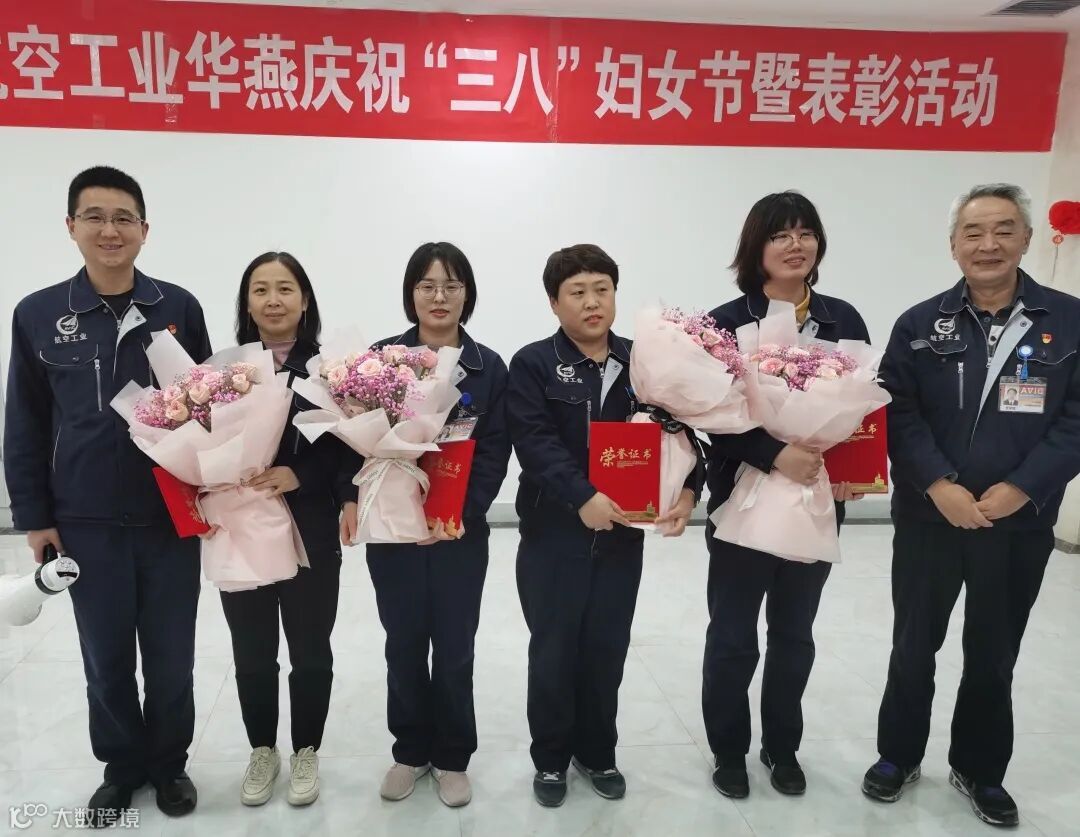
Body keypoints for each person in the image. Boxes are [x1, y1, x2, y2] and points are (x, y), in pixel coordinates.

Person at [862, 183, 1080, 827]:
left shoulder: (1069, 321)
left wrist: (1023, 488)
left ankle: (980, 768)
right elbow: (897, 411)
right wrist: (937, 484)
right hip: (930, 517)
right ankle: (897, 756)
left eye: (1004, 230)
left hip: (1019, 522)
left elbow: (1075, 421)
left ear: (1026, 240)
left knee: (994, 651)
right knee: (913, 644)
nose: (989, 244)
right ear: (954, 244)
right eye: (974, 232)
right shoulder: (919, 324)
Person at [3, 166, 211, 824]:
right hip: (85, 520)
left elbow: (212, 408)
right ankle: (121, 767)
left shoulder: (178, 309)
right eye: (94, 216)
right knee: (106, 656)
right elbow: (25, 422)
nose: (110, 229)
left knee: (172, 655)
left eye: (124, 218)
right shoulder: (39, 315)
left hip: (168, 516)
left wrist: (215, 490)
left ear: (145, 230)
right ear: (71, 227)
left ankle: (169, 765)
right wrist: (35, 517)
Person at [508, 243, 699, 808]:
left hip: (622, 534)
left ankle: (596, 751)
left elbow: (685, 433)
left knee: (607, 646)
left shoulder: (646, 362)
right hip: (552, 531)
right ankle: (550, 758)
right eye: (577, 292)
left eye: (602, 289)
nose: (592, 302)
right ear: (554, 302)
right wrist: (582, 496)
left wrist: (690, 489)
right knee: (554, 648)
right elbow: (534, 441)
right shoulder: (534, 363)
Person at [703, 192, 870, 799]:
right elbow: (709, 412)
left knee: (795, 633)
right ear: (756, 247)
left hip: (815, 499)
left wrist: (856, 470)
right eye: (781, 235)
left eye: (806, 233)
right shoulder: (725, 322)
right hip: (741, 499)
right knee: (732, 634)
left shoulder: (842, 319)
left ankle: (782, 745)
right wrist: (773, 453)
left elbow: (863, 409)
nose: (795, 245)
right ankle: (728, 749)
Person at [365, 242, 512, 808]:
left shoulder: (488, 366)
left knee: (454, 649)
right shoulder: (381, 362)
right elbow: (358, 444)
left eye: (451, 285)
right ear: (411, 294)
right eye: (427, 285)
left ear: (467, 294)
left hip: (458, 534)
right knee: (402, 644)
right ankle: (409, 751)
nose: (439, 296)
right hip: (394, 532)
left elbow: (494, 450)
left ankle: (452, 756)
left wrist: (460, 511)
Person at [218, 252, 359, 808]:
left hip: (310, 523)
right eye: (260, 290)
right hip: (242, 525)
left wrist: (301, 474)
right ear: (247, 303)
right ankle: (262, 749)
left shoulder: (331, 370)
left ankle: (305, 749)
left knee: (310, 648)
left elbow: (349, 445)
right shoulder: (224, 374)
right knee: (252, 650)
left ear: (304, 300)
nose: (273, 300)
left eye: (285, 288)